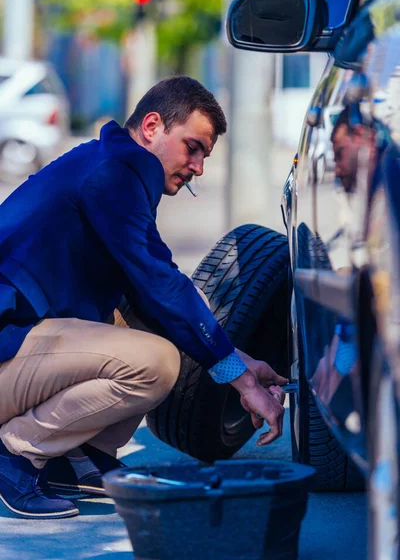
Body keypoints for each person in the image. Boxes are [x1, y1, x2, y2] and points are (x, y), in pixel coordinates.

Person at [0, 75, 287, 519]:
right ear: (152, 127)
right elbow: (162, 283)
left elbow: (154, 298)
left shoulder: (109, 163)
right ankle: (16, 454)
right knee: (156, 362)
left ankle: (75, 460)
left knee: (150, 326)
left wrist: (240, 360)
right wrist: (243, 382)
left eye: (205, 156)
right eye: (193, 147)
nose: (199, 167)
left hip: (18, 351)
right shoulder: (117, 172)